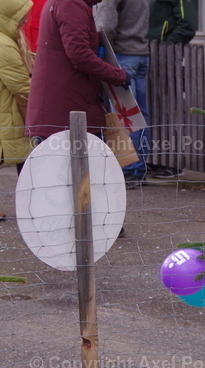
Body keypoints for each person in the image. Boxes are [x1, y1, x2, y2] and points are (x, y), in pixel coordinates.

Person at [25, 0, 129, 140]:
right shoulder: (71, 4)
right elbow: (79, 54)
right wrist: (117, 76)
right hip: (67, 109)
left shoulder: (67, 3)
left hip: (63, 107)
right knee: (80, 159)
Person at [94, 0, 150, 189]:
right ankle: (138, 169)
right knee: (138, 116)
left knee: (124, 117)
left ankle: (128, 170)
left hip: (121, 55)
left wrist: (97, 48)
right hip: (140, 53)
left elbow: (105, 24)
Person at [145, 0, 194, 181]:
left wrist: (167, 43)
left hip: (166, 52)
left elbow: (188, 24)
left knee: (168, 108)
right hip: (148, 50)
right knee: (153, 106)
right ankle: (155, 158)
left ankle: (172, 163)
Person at [0, 0, 31, 222]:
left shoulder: (6, 41)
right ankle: (31, 206)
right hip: (8, 113)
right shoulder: (3, 44)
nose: (26, 19)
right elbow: (21, 84)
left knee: (24, 158)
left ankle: (30, 205)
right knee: (25, 158)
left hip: (6, 111)